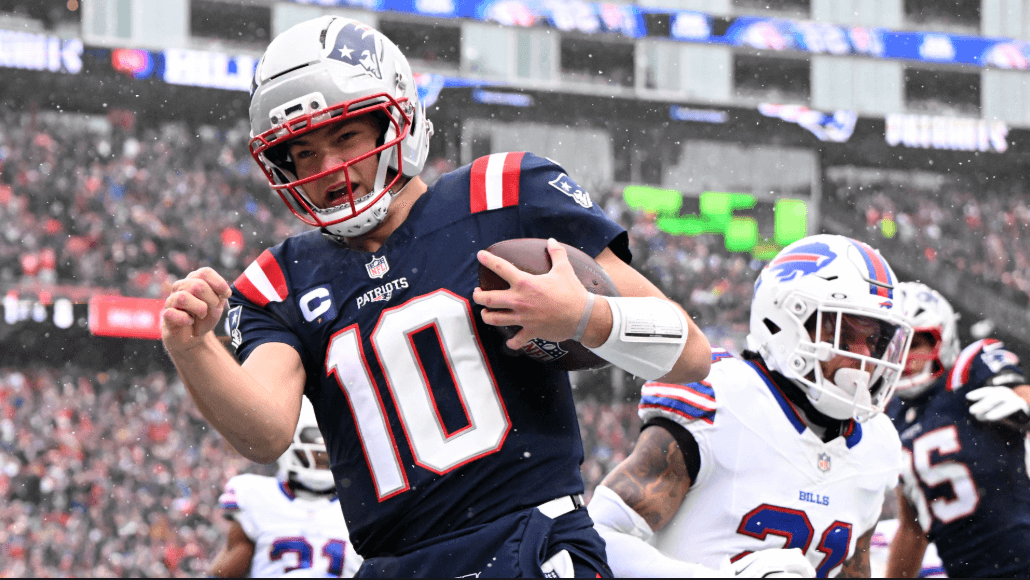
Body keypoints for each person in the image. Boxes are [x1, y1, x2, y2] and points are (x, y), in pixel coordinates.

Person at [160, 15, 713, 578]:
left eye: (345, 135)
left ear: (394, 117)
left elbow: (690, 354)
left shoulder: (503, 193)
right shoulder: (284, 277)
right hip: (394, 565)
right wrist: (193, 349)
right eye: (303, 153)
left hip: (530, 538)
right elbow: (265, 432)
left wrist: (584, 315)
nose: (329, 169)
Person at [588, 234, 914, 578]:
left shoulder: (878, 445)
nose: (863, 358)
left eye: (874, 341)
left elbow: (853, 571)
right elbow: (599, 537)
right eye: (844, 335)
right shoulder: (721, 399)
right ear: (787, 322)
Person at [885, 282, 1030, 578]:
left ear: (943, 337)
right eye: (895, 347)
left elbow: (1022, 394)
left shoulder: (967, 371)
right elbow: (912, 527)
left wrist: (1021, 401)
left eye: (915, 344)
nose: (906, 358)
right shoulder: (893, 416)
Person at [209, 398, 363, 578]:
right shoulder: (256, 497)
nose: (321, 455)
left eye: (328, 446)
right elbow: (224, 574)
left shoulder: (362, 506)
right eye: (313, 446)